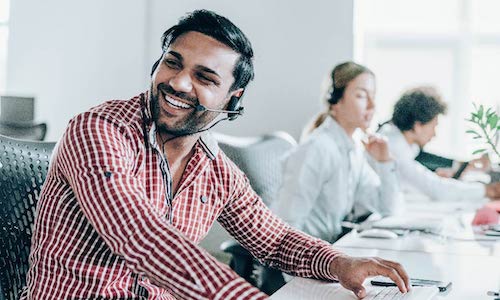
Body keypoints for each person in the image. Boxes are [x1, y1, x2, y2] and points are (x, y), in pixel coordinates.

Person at [21, 10, 410, 300]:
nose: (177, 82)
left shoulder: (214, 167)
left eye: (205, 78)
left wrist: (340, 263)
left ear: (232, 97)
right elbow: (142, 238)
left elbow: (273, 240)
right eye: (172, 63)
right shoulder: (98, 131)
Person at [272, 62, 403, 244]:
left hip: (330, 254)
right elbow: (285, 229)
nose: (372, 105)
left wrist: (385, 162)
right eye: (361, 95)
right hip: (304, 263)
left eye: (373, 96)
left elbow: (389, 211)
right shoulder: (317, 149)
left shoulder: (353, 150)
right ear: (335, 101)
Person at [378, 86, 500, 202]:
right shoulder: (393, 145)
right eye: (434, 126)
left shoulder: (394, 137)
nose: (434, 134)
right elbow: (436, 189)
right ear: (418, 125)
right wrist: (489, 190)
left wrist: (449, 169)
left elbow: (418, 168)